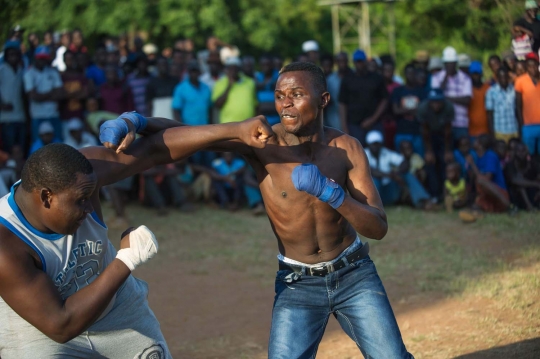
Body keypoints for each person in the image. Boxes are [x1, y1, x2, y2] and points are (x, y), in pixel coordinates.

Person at [102, 62, 414, 358]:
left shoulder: (347, 147)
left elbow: (377, 228)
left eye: (297, 95)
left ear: (323, 100)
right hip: (297, 282)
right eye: (280, 96)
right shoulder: (262, 141)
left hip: (354, 274)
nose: (286, 105)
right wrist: (136, 121)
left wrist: (334, 195)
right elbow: (193, 133)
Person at [0, 112, 273, 358]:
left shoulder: (80, 173)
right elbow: (60, 325)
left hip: (117, 312)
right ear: (46, 197)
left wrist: (236, 129)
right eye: (80, 200)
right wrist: (126, 260)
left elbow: (154, 150)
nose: (89, 208)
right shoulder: (7, 244)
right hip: (40, 333)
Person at [365, 131, 432, 209]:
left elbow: (404, 163)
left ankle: (422, 201)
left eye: (377, 144)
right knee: (374, 180)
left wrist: (397, 174)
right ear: (368, 145)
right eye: (373, 144)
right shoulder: (363, 153)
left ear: (381, 144)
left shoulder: (386, 152)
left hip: (388, 190)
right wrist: (390, 175)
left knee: (406, 174)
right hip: (372, 194)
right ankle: (371, 205)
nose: (375, 147)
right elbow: (370, 171)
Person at [339, 49, 389, 145]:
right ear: (353, 62)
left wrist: (373, 119)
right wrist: (344, 127)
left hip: (375, 123)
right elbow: (342, 103)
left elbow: (384, 100)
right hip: (354, 124)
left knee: (377, 150)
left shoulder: (376, 78)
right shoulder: (347, 79)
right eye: (357, 61)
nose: (359, 64)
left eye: (361, 61)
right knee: (357, 153)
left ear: (365, 61)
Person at [418, 89, 455, 199]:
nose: (436, 105)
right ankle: (434, 195)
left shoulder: (448, 107)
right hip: (428, 136)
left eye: (438, 102)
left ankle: (446, 194)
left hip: (444, 136)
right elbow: (425, 131)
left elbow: (448, 131)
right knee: (430, 163)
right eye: (433, 102)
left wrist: (448, 151)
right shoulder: (423, 108)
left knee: (445, 162)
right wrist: (429, 151)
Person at [431, 46, 472, 141]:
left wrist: (446, 98)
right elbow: (436, 97)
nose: (450, 66)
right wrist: (446, 77)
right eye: (447, 64)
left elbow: (467, 100)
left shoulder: (465, 78)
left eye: (452, 63)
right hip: (443, 123)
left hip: (461, 123)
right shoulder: (436, 77)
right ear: (444, 64)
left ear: (456, 63)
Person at [24, 45, 64, 141]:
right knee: (38, 147)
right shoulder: (29, 74)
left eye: (44, 58)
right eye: (40, 58)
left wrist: (41, 96)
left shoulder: (53, 72)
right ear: (35, 58)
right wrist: (51, 94)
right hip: (37, 116)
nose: (42, 61)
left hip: (53, 115)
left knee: (58, 146)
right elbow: (33, 96)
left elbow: (60, 94)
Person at [466, 134, 510, 213]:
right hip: (487, 195)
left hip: (499, 193)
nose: (473, 142)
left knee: (481, 181)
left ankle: (506, 204)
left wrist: (472, 164)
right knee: (474, 208)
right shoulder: (478, 157)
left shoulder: (490, 156)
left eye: (476, 141)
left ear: (480, 145)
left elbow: (486, 179)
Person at [392, 64, 428, 155]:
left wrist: (404, 110)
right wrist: (414, 110)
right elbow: (396, 111)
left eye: (413, 73)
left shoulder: (422, 91)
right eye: (408, 73)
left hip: (417, 132)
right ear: (405, 75)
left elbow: (423, 112)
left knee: (419, 161)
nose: (410, 76)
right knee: (401, 160)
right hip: (401, 131)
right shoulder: (398, 91)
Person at [212, 56, 257, 124]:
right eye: (230, 68)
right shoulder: (219, 83)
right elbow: (218, 104)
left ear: (239, 69)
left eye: (235, 68)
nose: (233, 71)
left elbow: (256, 105)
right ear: (226, 69)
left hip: (248, 125)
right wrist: (229, 85)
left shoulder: (249, 82)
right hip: (228, 126)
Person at [0, 41, 27, 153]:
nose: (13, 57)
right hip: (6, 118)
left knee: (21, 149)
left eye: (15, 54)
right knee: (9, 149)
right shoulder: (1, 69)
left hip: (21, 116)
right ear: (6, 56)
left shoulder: (22, 70)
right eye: (10, 54)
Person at [515, 52, 540, 156]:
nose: (532, 68)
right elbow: (518, 105)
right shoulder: (520, 81)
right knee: (528, 155)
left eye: (534, 65)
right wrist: (522, 125)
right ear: (526, 66)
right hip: (528, 126)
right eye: (529, 65)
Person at [485, 68, 519, 143]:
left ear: (508, 77)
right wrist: (492, 133)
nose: (503, 79)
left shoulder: (514, 90)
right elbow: (489, 114)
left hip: (514, 130)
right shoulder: (491, 92)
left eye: (505, 77)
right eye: (501, 77)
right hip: (499, 131)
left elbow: (518, 111)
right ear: (497, 78)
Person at [504, 141, 540, 210]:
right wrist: (536, 184)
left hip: (532, 194)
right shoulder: (510, 165)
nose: (521, 153)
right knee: (521, 185)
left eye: (523, 151)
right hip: (516, 196)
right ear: (515, 152)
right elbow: (515, 180)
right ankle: (529, 207)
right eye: (518, 151)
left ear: (527, 152)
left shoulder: (533, 163)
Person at [60, 50, 89, 130]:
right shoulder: (61, 77)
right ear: (64, 61)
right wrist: (77, 93)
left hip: (79, 116)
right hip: (65, 117)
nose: (70, 62)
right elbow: (60, 95)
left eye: (71, 59)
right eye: (67, 59)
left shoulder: (81, 77)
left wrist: (68, 94)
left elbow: (85, 94)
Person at [322, 52, 350, 130]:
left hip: (351, 116)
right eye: (339, 61)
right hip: (333, 115)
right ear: (336, 62)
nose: (342, 63)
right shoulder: (330, 80)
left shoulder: (354, 77)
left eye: (344, 60)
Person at [468, 61, 491, 139]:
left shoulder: (488, 89)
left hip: (486, 131)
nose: (475, 76)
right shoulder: (467, 89)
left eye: (477, 74)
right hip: (471, 131)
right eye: (473, 74)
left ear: (481, 74)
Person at [256, 55, 280, 126]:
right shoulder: (258, 77)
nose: (265, 67)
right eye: (263, 64)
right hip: (262, 121)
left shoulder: (279, 77)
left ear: (272, 65)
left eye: (267, 64)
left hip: (278, 121)